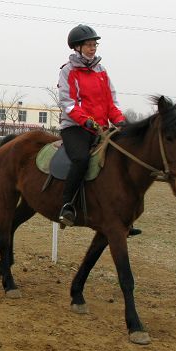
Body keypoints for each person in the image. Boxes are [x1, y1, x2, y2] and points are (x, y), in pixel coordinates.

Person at [57, 24, 126, 226]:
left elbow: (110, 102)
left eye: (94, 44)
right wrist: (86, 120)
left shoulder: (101, 71)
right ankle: (66, 205)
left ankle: (120, 212)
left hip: (101, 127)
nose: (92, 48)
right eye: (88, 44)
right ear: (77, 47)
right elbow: (68, 103)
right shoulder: (67, 71)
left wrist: (120, 120)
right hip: (76, 128)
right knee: (81, 159)